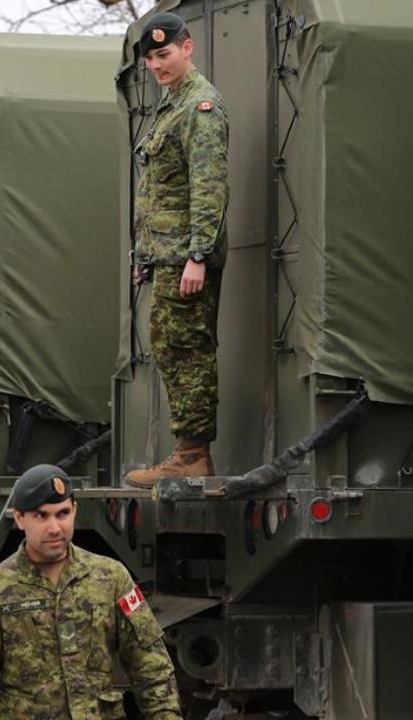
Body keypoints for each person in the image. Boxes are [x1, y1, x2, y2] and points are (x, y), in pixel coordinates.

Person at [0, 464, 182, 719]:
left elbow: (152, 667)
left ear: (74, 511)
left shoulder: (111, 577)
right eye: (41, 516)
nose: (54, 528)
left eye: (62, 514)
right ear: (20, 518)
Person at [126, 11, 231, 488]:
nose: (156, 65)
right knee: (170, 349)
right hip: (166, 257)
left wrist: (198, 256)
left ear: (187, 48)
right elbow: (160, 191)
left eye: (164, 54)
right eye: (150, 58)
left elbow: (207, 187)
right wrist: (146, 258)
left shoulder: (200, 107)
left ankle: (192, 455)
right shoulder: (170, 106)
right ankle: (186, 452)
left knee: (187, 350)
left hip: (186, 259)